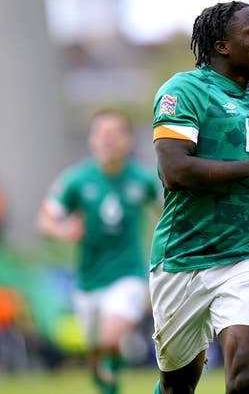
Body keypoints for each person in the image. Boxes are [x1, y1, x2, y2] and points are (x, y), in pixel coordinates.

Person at [149, 1, 249, 394]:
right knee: (178, 384)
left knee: (244, 373)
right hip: (183, 257)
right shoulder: (183, 91)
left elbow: (241, 165)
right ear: (222, 46)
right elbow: (175, 172)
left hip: (246, 254)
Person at [37, 109, 159, 394]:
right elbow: (44, 221)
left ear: (128, 140)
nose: (109, 140)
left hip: (127, 274)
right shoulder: (76, 181)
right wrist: (64, 230)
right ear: (92, 140)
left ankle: (111, 365)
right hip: (88, 280)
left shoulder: (142, 180)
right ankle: (110, 384)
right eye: (103, 134)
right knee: (97, 356)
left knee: (109, 339)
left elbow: (167, 212)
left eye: (116, 134)